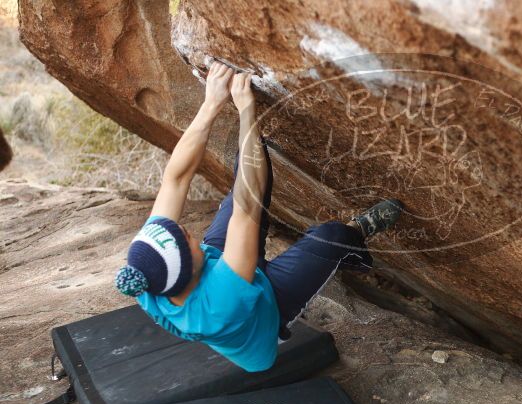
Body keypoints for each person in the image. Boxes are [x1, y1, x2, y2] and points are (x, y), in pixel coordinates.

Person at [114, 62, 402, 372]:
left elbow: (176, 179)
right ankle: (356, 239)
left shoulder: (146, 268)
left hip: (222, 267)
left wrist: (211, 104)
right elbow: (247, 205)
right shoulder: (219, 304)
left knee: (247, 168)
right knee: (331, 238)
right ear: (189, 269)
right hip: (267, 310)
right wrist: (246, 112)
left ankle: (253, 155)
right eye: (186, 239)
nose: (187, 230)